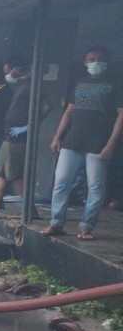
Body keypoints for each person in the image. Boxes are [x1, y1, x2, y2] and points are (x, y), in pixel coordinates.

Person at [42, 46, 123, 240]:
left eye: (100, 59)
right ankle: (56, 223)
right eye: (91, 59)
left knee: (95, 187)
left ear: (107, 61)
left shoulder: (116, 84)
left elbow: (121, 115)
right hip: (72, 141)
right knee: (61, 182)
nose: (95, 62)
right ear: (85, 62)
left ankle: (86, 227)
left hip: (98, 144)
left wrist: (111, 143)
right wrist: (57, 136)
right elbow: (69, 111)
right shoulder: (79, 82)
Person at [0, 57, 48, 221]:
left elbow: (45, 108)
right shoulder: (17, 86)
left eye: (8, 71)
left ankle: (27, 209)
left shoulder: (30, 86)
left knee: (14, 174)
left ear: (18, 69)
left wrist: (27, 127)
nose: (7, 75)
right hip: (8, 135)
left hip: (17, 138)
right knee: (2, 172)